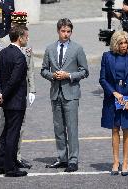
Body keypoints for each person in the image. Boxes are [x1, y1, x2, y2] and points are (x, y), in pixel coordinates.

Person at [41, 18, 89, 172]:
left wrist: (68, 75)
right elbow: (43, 70)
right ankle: (62, 158)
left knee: (72, 128)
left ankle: (73, 160)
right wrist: (53, 76)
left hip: (71, 94)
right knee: (58, 128)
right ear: (58, 31)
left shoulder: (77, 49)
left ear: (71, 32)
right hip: (55, 93)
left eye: (68, 31)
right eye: (63, 31)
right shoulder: (49, 49)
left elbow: (85, 71)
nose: (66, 34)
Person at [0, 12, 35, 169]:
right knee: (6, 128)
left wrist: (32, 89)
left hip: (20, 92)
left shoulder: (25, 42)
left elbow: (30, 67)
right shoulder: (3, 42)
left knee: (20, 127)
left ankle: (16, 156)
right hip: (9, 94)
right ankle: (6, 159)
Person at [99, 31, 128, 176]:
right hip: (113, 99)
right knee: (115, 130)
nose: (124, 45)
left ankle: (126, 162)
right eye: (121, 43)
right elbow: (103, 79)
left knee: (127, 130)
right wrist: (114, 93)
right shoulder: (107, 57)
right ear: (116, 44)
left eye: (126, 42)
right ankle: (116, 161)